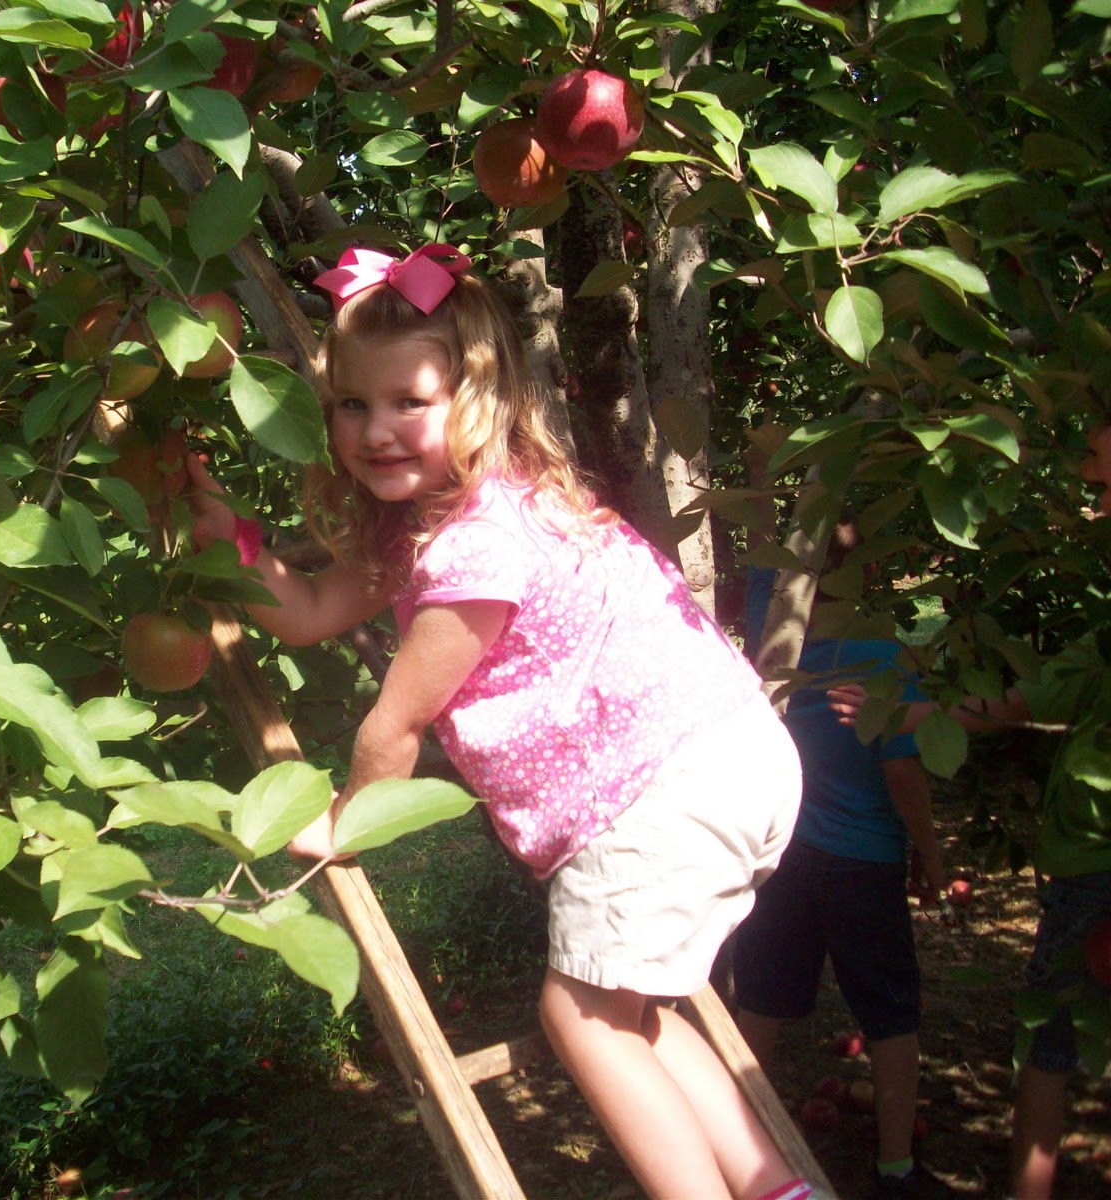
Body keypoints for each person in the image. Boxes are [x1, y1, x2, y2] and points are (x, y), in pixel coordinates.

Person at [185, 243, 809, 1200]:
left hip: (662, 785)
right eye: (354, 405)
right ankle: (777, 1188)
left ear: (473, 402)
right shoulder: (441, 524)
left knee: (582, 1018)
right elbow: (307, 612)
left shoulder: (478, 546)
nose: (377, 430)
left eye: (410, 403)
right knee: (632, 1010)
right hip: (725, 760)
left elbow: (396, 726)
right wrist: (223, 529)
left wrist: (344, 825)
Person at [830, 646, 1110, 1200]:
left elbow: (1006, 706)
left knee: (1048, 1043)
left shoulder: (1101, 652)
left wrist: (899, 714)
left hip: (1092, 868)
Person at [732, 529, 956, 1200]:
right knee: (890, 1014)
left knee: (761, 999)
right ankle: (895, 1169)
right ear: (866, 566)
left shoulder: (772, 625)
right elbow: (903, 777)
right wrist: (932, 852)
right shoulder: (882, 653)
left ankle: (742, 1144)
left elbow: (773, 555)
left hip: (779, 849)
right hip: (862, 858)